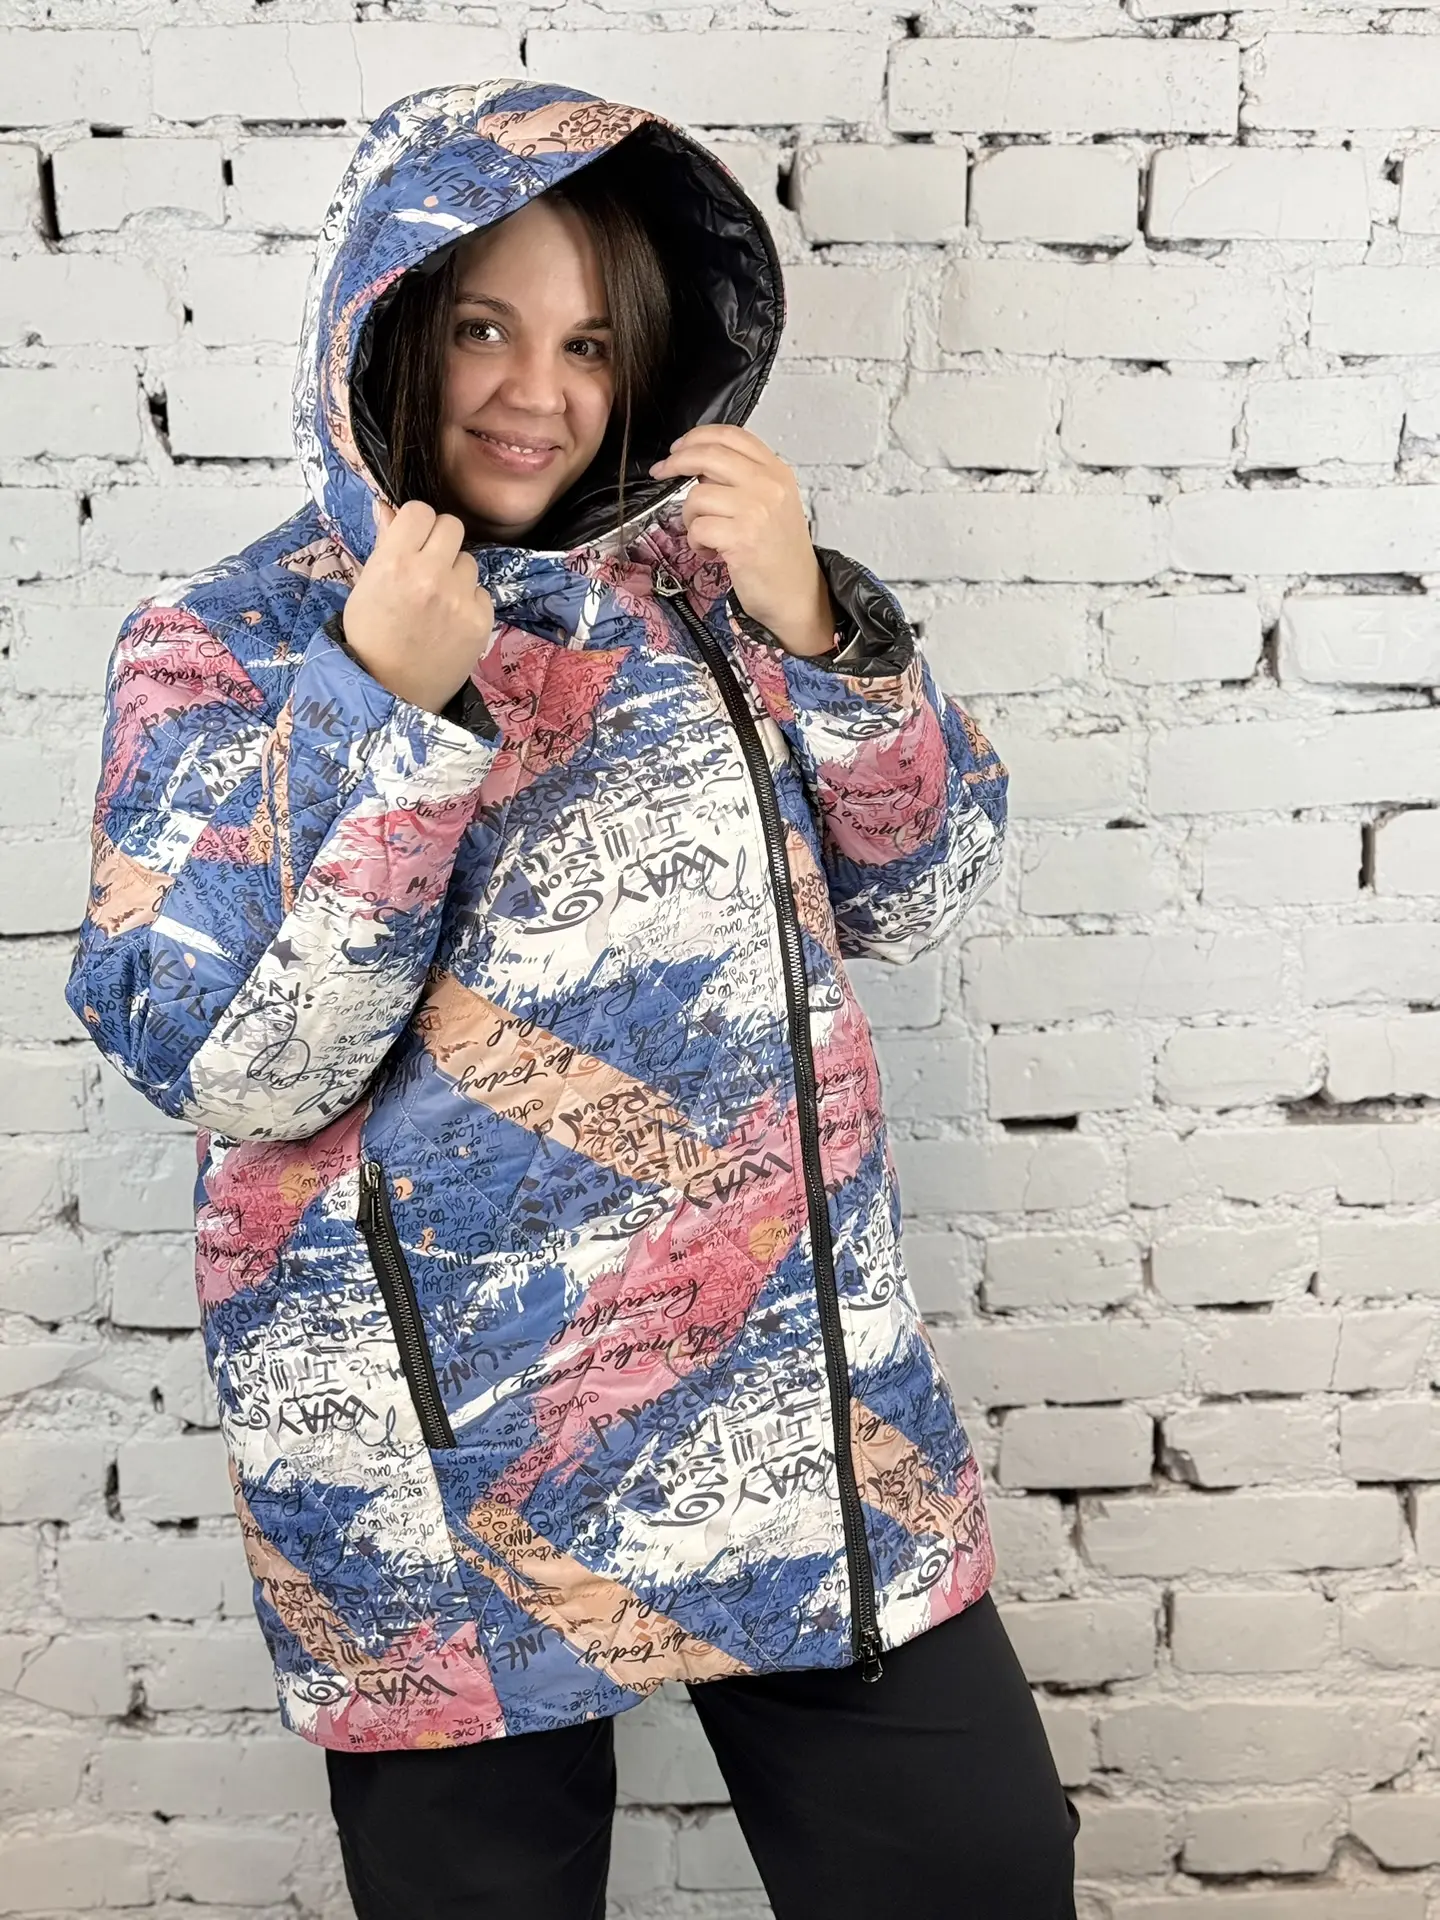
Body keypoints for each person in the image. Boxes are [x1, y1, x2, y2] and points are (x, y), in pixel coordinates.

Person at [68, 78, 1076, 1920]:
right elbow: (225, 1062)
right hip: (430, 1481)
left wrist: (820, 629)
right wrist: (382, 703)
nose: (537, 390)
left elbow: (925, 891)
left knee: (980, 1874)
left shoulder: (710, 592)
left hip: (795, 1410)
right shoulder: (223, 643)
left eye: (591, 342)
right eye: (483, 327)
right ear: (383, 327)